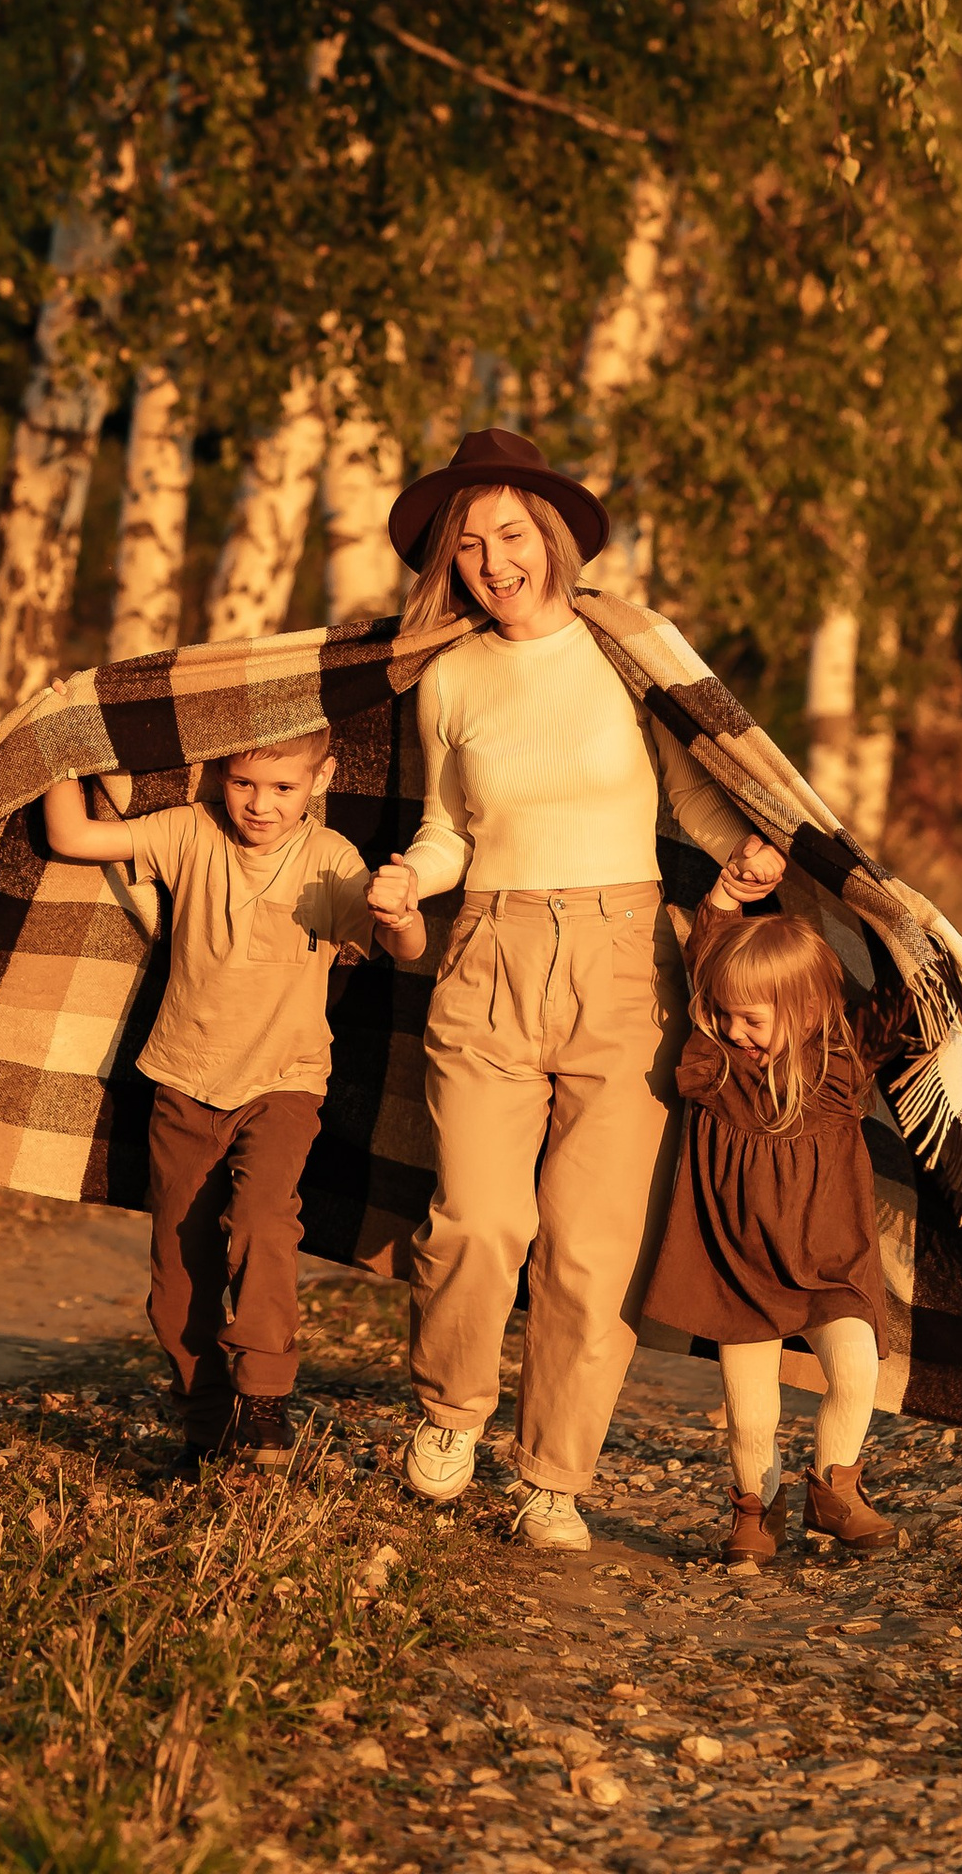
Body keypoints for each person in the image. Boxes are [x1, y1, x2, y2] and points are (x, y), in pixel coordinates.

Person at [362, 426, 786, 1553]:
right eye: (466, 547)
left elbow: (694, 798)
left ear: (550, 537)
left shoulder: (628, 651)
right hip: (490, 955)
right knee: (480, 1222)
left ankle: (552, 1477)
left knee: (590, 1250)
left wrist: (744, 853)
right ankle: (450, 1409)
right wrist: (412, 882)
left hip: (623, 964)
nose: (492, 562)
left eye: (509, 535)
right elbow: (449, 828)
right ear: (445, 565)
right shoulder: (446, 677)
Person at [43, 726, 426, 1470]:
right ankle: (208, 1427)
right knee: (177, 1264)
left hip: (284, 1083)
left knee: (261, 1223)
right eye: (244, 783)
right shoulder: (188, 832)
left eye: (283, 787)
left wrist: (400, 912)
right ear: (221, 774)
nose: (260, 804)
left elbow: (403, 950)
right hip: (183, 1080)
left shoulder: (330, 859)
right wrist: (59, 740)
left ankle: (264, 1396)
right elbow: (69, 835)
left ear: (321, 779)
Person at [641, 905, 904, 1568]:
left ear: (808, 1011)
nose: (734, 1029)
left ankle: (835, 1490)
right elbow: (707, 959)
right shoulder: (714, 1066)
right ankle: (757, 1510)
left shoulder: (840, 1069)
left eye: (751, 1019)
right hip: (740, 1271)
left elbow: (908, 1001)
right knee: (750, 1414)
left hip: (831, 1265)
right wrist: (725, 898)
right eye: (724, 1014)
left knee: (854, 1367)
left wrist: (921, 939)